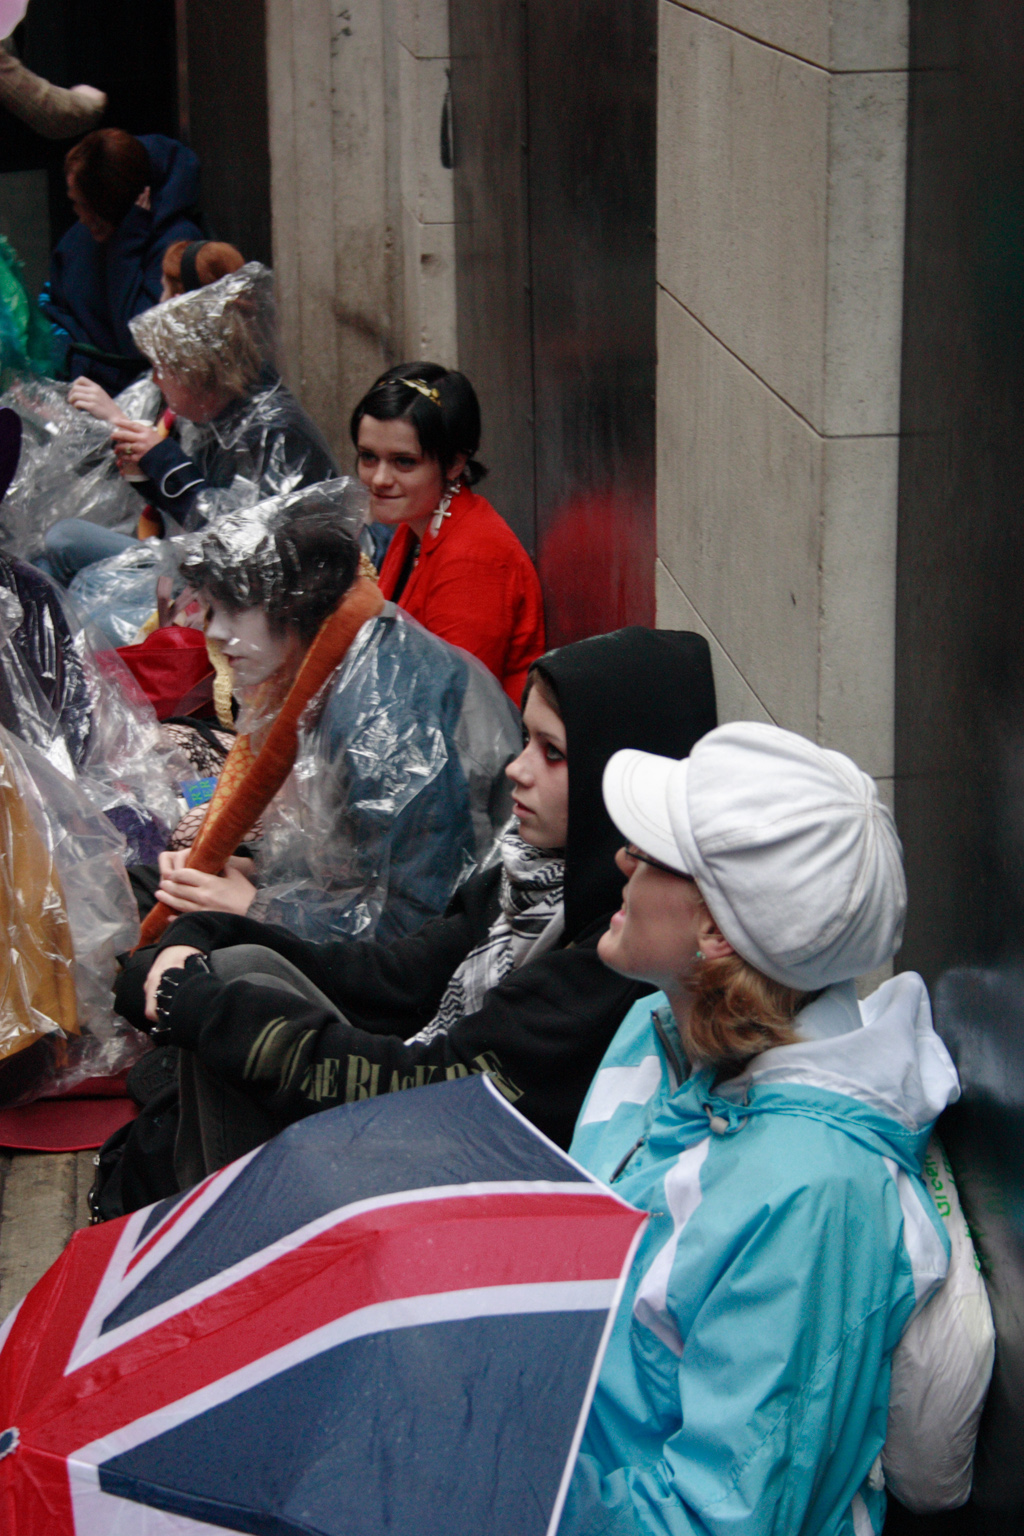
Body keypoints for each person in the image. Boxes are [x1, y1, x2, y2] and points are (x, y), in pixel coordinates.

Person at [111, 626, 717, 1190]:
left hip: (467, 1184)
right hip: (435, 1134)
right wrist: (203, 933)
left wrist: (201, 1001)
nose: (516, 769)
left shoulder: (620, 951)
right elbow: (395, 976)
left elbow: (431, 1081)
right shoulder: (530, 882)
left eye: (552, 753)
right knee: (235, 968)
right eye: (527, 740)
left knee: (238, 999)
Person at [556, 722, 960, 1536]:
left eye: (655, 852)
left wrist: (495, 1471)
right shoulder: (656, 1024)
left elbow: (718, 1522)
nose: (623, 860)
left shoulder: (812, 1200)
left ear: (716, 934)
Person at [123, 479, 521, 954]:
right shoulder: (328, 660)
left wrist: (256, 908)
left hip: (443, 955)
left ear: (293, 603)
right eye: (211, 611)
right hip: (353, 918)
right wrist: (247, 875)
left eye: (233, 609)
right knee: (141, 887)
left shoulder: (385, 715)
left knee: (170, 958)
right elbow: (340, 857)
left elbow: (415, 920)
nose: (219, 634)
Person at [41, 262, 336, 584]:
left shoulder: (270, 427)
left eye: (161, 368)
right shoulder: (215, 415)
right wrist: (148, 472)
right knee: (50, 556)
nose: (155, 380)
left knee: (71, 553)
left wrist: (167, 464)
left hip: (251, 588)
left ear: (194, 371)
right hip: (202, 567)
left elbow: (241, 541)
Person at [353, 362, 545, 703]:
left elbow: (454, 708)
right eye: (368, 457)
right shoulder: (417, 520)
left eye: (404, 462)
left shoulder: (473, 557)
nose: (379, 479)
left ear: (455, 463)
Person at [41, 129, 204, 393]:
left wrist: (125, 248)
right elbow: (57, 303)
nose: (80, 217)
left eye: (85, 206)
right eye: (75, 204)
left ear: (112, 206)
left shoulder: (175, 244)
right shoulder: (82, 239)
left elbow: (140, 340)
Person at [65, 239, 246, 428]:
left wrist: (118, 421)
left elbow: (180, 452)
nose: (159, 303)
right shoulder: (239, 370)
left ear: (182, 304)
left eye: (164, 290)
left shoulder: (201, 387)